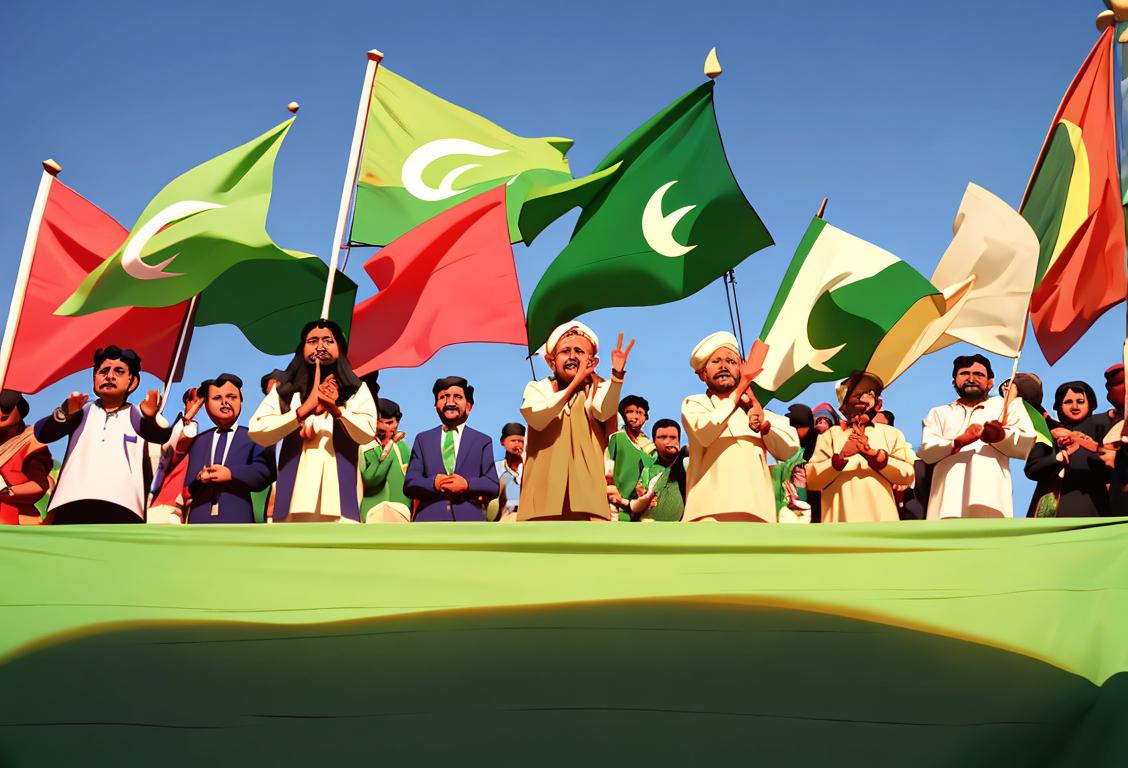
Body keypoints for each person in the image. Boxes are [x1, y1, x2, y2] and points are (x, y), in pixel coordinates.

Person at [248, 319, 378, 523]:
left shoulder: (355, 390)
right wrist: (302, 411)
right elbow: (257, 430)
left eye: (328, 340)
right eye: (313, 341)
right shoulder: (285, 391)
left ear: (339, 348)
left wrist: (337, 410)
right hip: (293, 499)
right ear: (302, 348)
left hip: (337, 501)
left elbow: (367, 432)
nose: (320, 346)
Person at [35, 346, 171, 524]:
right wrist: (65, 412)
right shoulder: (82, 411)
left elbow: (159, 436)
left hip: (124, 507)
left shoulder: (136, 416)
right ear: (94, 377)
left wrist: (149, 417)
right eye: (104, 371)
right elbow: (42, 433)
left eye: (119, 371)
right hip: (71, 504)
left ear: (133, 381)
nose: (110, 376)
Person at [518, 322, 634, 521]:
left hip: (588, 500)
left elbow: (604, 410)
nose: (572, 356)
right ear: (550, 361)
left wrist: (616, 377)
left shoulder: (597, 389)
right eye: (565, 351)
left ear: (592, 362)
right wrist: (575, 382)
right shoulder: (538, 389)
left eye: (579, 351)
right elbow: (537, 417)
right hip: (543, 498)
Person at [681, 333, 799, 522]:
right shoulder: (696, 404)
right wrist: (741, 388)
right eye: (716, 361)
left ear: (741, 369)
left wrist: (764, 425)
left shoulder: (758, 412)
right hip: (707, 514)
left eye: (731, 361)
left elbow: (789, 450)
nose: (724, 366)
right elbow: (704, 432)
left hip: (757, 515)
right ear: (702, 374)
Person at [919, 354, 1036, 519]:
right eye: (964, 373)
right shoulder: (939, 412)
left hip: (990, 500)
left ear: (990, 382)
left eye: (979, 374)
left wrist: (1000, 436)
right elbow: (927, 452)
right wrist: (958, 442)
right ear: (954, 381)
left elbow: (1026, 443)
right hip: (946, 503)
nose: (971, 379)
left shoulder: (1006, 406)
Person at [805, 372, 916, 523]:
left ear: (878, 404)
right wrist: (840, 458)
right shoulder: (830, 435)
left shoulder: (892, 434)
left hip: (882, 521)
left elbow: (908, 475)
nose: (862, 398)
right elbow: (812, 480)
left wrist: (876, 457)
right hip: (839, 521)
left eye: (869, 393)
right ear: (843, 405)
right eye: (856, 394)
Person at [182, 374, 275, 524]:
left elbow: (263, 472)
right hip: (199, 521)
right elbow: (187, 487)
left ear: (241, 402)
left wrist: (231, 474)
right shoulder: (199, 441)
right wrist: (199, 478)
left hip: (238, 521)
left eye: (232, 397)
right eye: (217, 398)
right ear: (206, 404)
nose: (225, 402)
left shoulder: (253, 436)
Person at [403, 376, 498, 521]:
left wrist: (467, 484)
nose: (450, 402)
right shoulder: (423, 440)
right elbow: (410, 483)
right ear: (435, 405)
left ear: (469, 406)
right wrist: (433, 482)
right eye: (443, 397)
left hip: (470, 522)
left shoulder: (482, 441)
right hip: (428, 521)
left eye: (457, 397)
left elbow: (493, 485)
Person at [1024, 381, 1109, 518]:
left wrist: (1085, 442)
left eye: (1080, 401)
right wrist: (1059, 457)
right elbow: (1032, 469)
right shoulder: (1049, 434)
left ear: (1090, 404)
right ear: (1059, 406)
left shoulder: (1101, 431)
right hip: (1051, 511)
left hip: (1093, 510)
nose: (1075, 406)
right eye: (1068, 402)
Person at [148, 387, 205, 524]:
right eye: (196, 399)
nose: (199, 403)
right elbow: (181, 442)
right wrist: (191, 415)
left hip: (176, 507)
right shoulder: (176, 429)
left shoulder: (194, 432)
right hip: (163, 508)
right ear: (187, 401)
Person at [0, 390, 52, 525]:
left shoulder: (29, 443)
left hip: (17, 520)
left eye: (6, 402)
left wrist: (7, 491)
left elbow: (38, 485)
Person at [360, 398, 412, 523]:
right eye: (380, 422)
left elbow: (409, 475)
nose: (384, 427)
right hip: (372, 512)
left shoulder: (402, 446)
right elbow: (371, 478)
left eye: (389, 423)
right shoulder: (366, 446)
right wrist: (390, 446)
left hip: (402, 511)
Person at [606, 395, 656, 520]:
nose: (634, 416)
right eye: (629, 412)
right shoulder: (616, 438)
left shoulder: (651, 448)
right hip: (615, 508)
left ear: (646, 417)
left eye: (639, 412)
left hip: (641, 510)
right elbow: (607, 469)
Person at [630, 418, 688, 522]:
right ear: (654, 442)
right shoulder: (646, 470)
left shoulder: (687, 464)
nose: (668, 441)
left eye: (673, 437)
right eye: (663, 437)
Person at [771, 404, 817, 523]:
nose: (795, 431)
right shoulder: (785, 450)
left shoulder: (816, 448)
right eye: (793, 427)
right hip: (784, 510)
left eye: (799, 426)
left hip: (808, 512)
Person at [495, 422, 524, 521]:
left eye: (521, 441)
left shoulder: (531, 468)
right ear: (502, 442)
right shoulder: (495, 468)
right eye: (513, 441)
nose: (517, 445)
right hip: (503, 518)